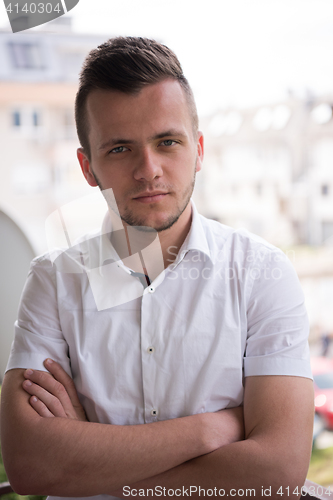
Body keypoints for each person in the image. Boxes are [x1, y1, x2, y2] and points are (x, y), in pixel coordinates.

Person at [0, 37, 314, 500]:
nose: (150, 169)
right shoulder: (53, 280)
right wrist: (208, 431)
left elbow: (278, 468)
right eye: (120, 150)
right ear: (88, 168)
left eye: (168, 142)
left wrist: (90, 460)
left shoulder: (263, 273)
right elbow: (29, 465)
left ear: (199, 149)